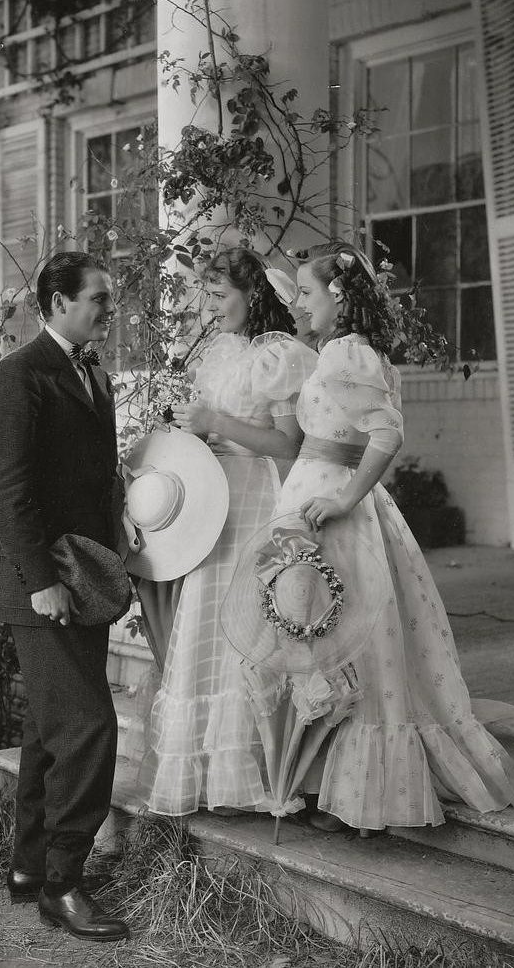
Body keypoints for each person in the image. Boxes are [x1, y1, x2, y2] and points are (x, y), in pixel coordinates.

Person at [272, 241, 514, 832]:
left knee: (355, 637)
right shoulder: (345, 350)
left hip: (335, 507)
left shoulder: (349, 355)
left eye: (308, 293)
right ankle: (324, 780)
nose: (299, 304)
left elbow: (386, 437)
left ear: (338, 296)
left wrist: (343, 496)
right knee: (329, 633)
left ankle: (365, 795)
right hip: (315, 497)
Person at [0, 251, 129, 942]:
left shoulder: (91, 372)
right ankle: (65, 884)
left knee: (48, 730)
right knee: (88, 727)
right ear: (59, 301)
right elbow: (8, 493)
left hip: (86, 575)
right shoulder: (18, 377)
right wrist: (41, 583)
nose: (108, 307)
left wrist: (121, 518)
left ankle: (29, 869)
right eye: (98, 297)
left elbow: (97, 471)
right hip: (40, 585)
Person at [136, 247, 318, 816]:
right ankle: (210, 777)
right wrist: (191, 432)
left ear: (254, 294)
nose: (211, 308)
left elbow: (288, 443)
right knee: (208, 622)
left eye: (221, 296)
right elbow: (210, 424)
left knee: (249, 622)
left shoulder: (280, 355)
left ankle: (259, 773)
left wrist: (218, 422)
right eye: (208, 296)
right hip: (211, 498)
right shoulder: (220, 352)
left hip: (253, 498)